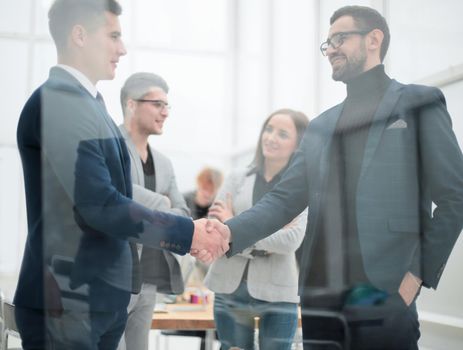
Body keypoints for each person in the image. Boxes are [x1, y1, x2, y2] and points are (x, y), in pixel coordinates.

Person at [207, 5, 463, 350]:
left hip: (385, 292)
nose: (330, 50)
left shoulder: (419, 103)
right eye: (326, 43)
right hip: (320, 297)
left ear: (374, 39)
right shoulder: (321, 127)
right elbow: (283, 200)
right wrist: (227, 232)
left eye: (340, 39)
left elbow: (454, 196)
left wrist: (416, 276)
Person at [14, 1, 228, 349]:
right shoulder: (62, 103)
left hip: (94, 299)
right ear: (79, 35)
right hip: (69, 303)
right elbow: (100, 204)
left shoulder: (89, 104)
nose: (122, 48)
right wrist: (188, 233)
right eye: (113, 36)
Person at [204, 109, 309, 350]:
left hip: (279, 291)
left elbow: (291, 240)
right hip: (229, 286)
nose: (271, 137)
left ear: (298, 144)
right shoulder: (236, 178)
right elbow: (215, 231)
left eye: (283, 134)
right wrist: (264, 236)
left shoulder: (301, 185)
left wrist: (235, 225)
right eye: (269, 129)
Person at [116, 72, 190, 350]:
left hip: (148, 278)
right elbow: (120, 195)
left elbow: (183, 213)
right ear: (131, 104)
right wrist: (163, 203)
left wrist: (157, 206)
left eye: (167, 106)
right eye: (157, 104)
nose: (165, 112)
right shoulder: (109, 147)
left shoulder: (164, 163)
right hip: (114, 275)